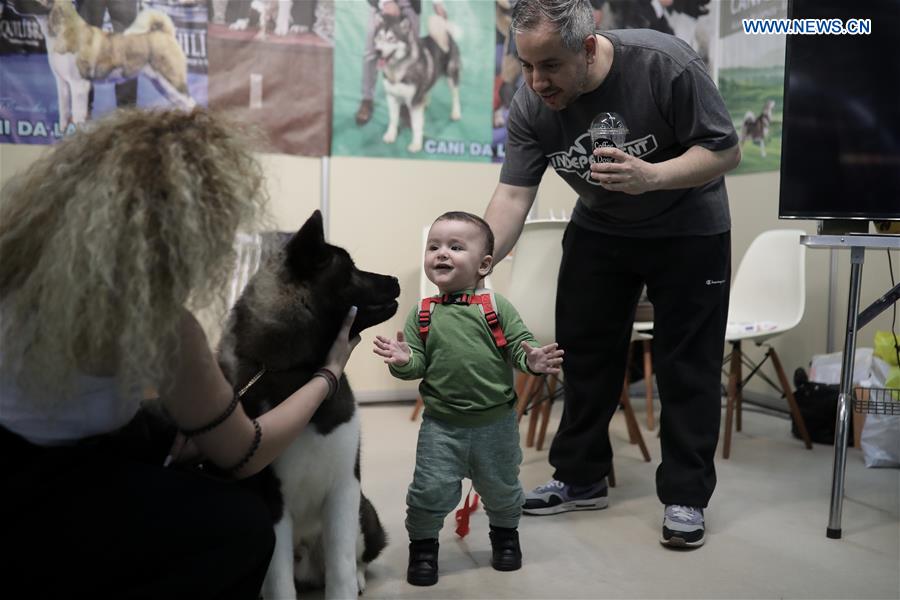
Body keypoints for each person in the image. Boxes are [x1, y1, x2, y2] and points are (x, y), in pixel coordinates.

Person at [0, 107, 360, 597]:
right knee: (242, 526)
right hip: (45, 503)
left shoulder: (14, 270)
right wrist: (328, 375)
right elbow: (245, 452)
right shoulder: (163, 326)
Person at [483, 0, 740, 548]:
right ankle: (580, 476)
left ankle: (686, 496)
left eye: (549, 65)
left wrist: (653, 176)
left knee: (686, 365)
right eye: (526, 66)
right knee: (584, 354)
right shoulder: (532, 103)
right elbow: (511, 196)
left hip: (690, 227)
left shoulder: (664, 63)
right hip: (601, 227)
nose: (536, 82)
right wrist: (476, 260)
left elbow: (725, 149)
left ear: (589, 44)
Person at [373, 211, 564, 585]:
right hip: (441, 426)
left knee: (503, 488)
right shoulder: (423, 313)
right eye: (434, 246)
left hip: (496, 425)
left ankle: (505, 539)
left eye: (455, 247)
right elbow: (416, 365)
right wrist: (403, 360)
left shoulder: (497, 307)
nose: (441, 253)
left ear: (484, 264)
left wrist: (534, 359)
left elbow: (520, 349)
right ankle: (424, 548)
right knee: (429, 490)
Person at [355, 0, 446, 126]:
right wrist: (385, 3)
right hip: (381, 7)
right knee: (371, 53)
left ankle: (406, 102)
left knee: (412, 54)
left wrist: (437, 3)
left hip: (409, 5)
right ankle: (367, 98)